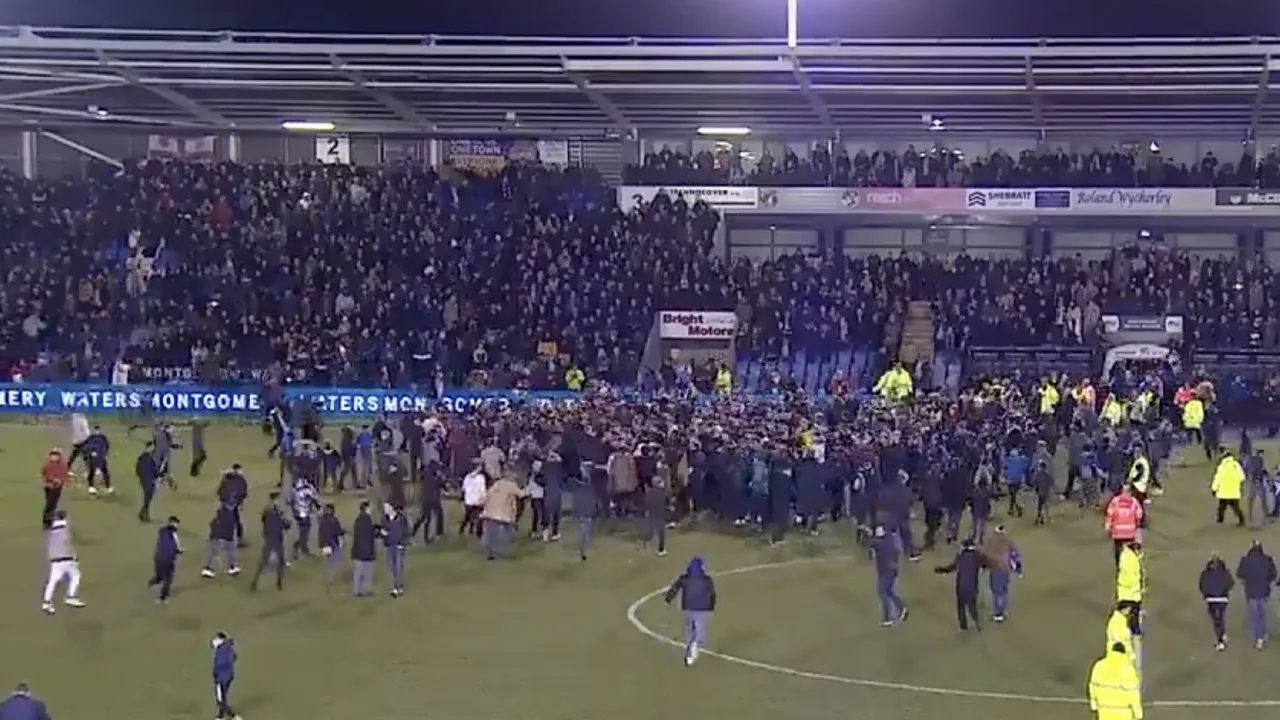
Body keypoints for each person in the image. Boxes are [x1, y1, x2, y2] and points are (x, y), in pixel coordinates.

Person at [663, 556, 717, 667]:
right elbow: (712, 594)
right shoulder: (707, 580)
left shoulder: (684, 579)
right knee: (699, 632)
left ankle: (689, 655)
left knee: (689, 632)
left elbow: (674, 589)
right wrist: (711, 607)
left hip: (687, 608)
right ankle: (694, 647)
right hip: (702, 609)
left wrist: (668, 599)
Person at [935, 537, 984, 631]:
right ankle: (977, 622)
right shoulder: (977, 557)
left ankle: (963, 625)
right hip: (972, 586)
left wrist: (941, 570)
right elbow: (984, 564)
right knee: (972, 606)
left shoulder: (961, 556)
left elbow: (951, 567)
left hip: (960, 585)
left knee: (961, 606)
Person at [1235, 540, 1277, 649]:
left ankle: (1259, 637)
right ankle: (1263, 633)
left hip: (1251, 592)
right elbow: (1273, 574)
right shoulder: (1267, 560)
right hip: (1264, 591)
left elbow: (1240, 574)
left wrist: (1246, 581)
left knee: (1255, 616)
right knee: (1262, 614)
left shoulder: (1245, 560)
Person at [41, 509, 84, 614]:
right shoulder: (66, 529)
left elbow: (49, 545)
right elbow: (68, 543)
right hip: (66, 558)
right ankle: (71, 597)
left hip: (55, 559)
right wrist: (74, 556)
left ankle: (46, 602)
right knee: (76, 575)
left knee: (53, 581)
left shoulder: (51, 531)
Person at [1088, 642, 1143, 720]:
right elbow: (1133, 694)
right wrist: (1138, 713)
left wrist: (1094, 704)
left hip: (1104, 713)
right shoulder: (1129, 670)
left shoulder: (1099, 666)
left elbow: (1093, 686)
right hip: (1124, 715)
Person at [249, 492, 290, 592]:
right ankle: (259, 581)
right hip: (273, 538)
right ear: (274, 500)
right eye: (278, 499)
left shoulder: (271, 510)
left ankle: (277, 581)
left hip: (273, 538)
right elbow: (280, 524)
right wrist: (286, 524)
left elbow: (265, 521)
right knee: (268, 561)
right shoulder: (272, 511)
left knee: (275, 561)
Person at [981, 524, 1022, 622]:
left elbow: (984, 555)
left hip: (995, 568)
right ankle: (1002, 610)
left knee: (996, 592)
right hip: (1005, 569)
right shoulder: (1008, 541)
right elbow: (1015, 554)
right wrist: (1018, 569)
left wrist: (984, 566)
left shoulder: (990, 542)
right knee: (1003, 590)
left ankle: (998, 613)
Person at [1115, 541, 1145, 673]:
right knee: (1133, 612)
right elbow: (1130, 576)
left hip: (1130, 592)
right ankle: (1133, 630)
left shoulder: (1128, 557)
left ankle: (1133, 629)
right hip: (1130, 593)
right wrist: (1138, 584)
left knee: (1133, 612)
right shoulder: (1129, 560)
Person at [1198, 552, 1234, 651]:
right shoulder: (1225, 572)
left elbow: (1201, 586)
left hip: (1210, 599)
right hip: (1222, 598)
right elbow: (1230, 584)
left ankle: (1220, 640)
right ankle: (1222, 635)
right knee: (1221, 618)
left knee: (1215, 620)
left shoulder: (1205, 573)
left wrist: (1206, 593)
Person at [872, 526, 907, 626]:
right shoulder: (890, 541)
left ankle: (887, 618)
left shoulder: (880, 544)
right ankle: (902, 608)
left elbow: (871, 544)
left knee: (882, 593)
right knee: (889, 592)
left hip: (885, 571)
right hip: (891, 571)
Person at [1104, 486, 1142, 564]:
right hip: (1130, 532)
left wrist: (1108, 527)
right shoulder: (1133, 501)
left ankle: (1119, 564)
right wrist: (1136, 523)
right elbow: (1139, 514)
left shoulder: (1115, 500)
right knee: (1130, 550)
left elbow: (1109, 514)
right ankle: (1130, 564)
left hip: (1117, 531)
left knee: (1118, 549)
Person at [202, 502, 240, 578]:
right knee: (230, 550)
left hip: (216, 535)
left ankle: (208, 568)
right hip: (225, 536)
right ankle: (231, 567)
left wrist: (211, 535)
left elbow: (212, 524)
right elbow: (231, 527)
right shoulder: (231, 516)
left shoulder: (220, 514)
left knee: (213, 552)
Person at [149, 516, 182, 603]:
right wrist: (180, 551)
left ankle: (154, 581)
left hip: (158, 557)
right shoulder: (174, 534)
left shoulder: (162, 531)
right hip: (168, 559)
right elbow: (177, 546)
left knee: (159, 573)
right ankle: (163, 597)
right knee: (168, 578)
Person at [350, 501, 378, 597]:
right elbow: (369, 535)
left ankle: (358, 590)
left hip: (358, 550)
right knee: (365, 572)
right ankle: (363, 590)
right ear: (366, 509)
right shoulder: (366, 520)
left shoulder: (358, 520)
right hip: (365, 550)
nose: (372, 509)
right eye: (370, 508)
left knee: (359, 572)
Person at [210, 632, 240, 720]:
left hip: (221, 678)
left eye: (216, 639)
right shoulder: (227, 648)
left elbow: (219, 665)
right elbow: (234, 657)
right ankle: (220, 716)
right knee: (222, 697)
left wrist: (215, 674)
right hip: (228, 676)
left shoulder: (221, 650)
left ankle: (233, 716)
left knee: (220, 700)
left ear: (220, 639)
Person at [1212, 450, 1246, 526]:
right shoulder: (1236, 465)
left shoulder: (1222, 466)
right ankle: (1242, 520)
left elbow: (1217, 478)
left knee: (1222, 506)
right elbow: (1242, 477)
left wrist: (1214, 489)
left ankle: (1220, 519)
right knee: (1236, 507)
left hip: (1223, 491)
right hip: (1234, 491)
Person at [318, 503, 345, 585]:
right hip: (333, 543)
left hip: (325, 543)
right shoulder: (334, 519)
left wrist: (321, 544)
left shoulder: (322, 520)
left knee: (326, 560)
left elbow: (320, 532)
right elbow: (338, 531)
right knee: (334, 560)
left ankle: (326, 577)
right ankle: (330, 577)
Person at [40, 449, 68, 527]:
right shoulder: (48, 465)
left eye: (56, 456)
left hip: (57, 487)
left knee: (53, 502)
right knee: (49, 503)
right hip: (49, 487)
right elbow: (44, 474)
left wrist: (61, 481)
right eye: (53, 455)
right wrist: (52, 479)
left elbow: (64, 474)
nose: (54, 457)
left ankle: (49, 519)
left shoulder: (61, 465)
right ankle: (47, 520)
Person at [135, 442, 160, 523]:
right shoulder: (145, 459)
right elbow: (140, 470)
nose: (153, 450)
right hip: (147, 481)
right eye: (152, 448)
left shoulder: (148, 458)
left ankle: (143, 513)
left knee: (148, 497)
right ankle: (144, 514)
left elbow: (153, 470)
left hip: (148, 480)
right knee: (148, 497)